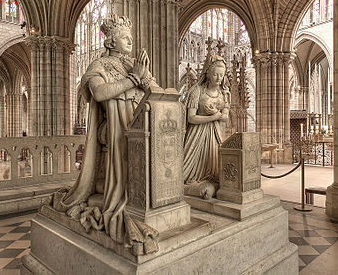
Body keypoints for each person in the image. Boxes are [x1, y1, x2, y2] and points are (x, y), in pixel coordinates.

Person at [52, 14, 159, 255]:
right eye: (124, 37)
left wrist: (146, 80)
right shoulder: (98, 65)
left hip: (140, 125)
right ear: (110, 42)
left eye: (130, 37)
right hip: (115, 129)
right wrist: (134, 79)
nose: (129, 41)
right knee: (124, 173)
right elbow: (99, 93)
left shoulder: (134, 64)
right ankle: (113, 196)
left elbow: (157, 91)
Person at [183, 55, 230, 199]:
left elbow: (226, 115)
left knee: (214, 167)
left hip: (216, 134)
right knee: (189, 173)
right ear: (208, 73)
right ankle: (193, 184)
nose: (218, 78)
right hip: (197, 135)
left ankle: (210, 183)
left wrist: (222, 116)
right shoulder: (196, 92)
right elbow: (190, 118)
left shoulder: (224, 93)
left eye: (221, 75)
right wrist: (213, 117)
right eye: (215, 74)